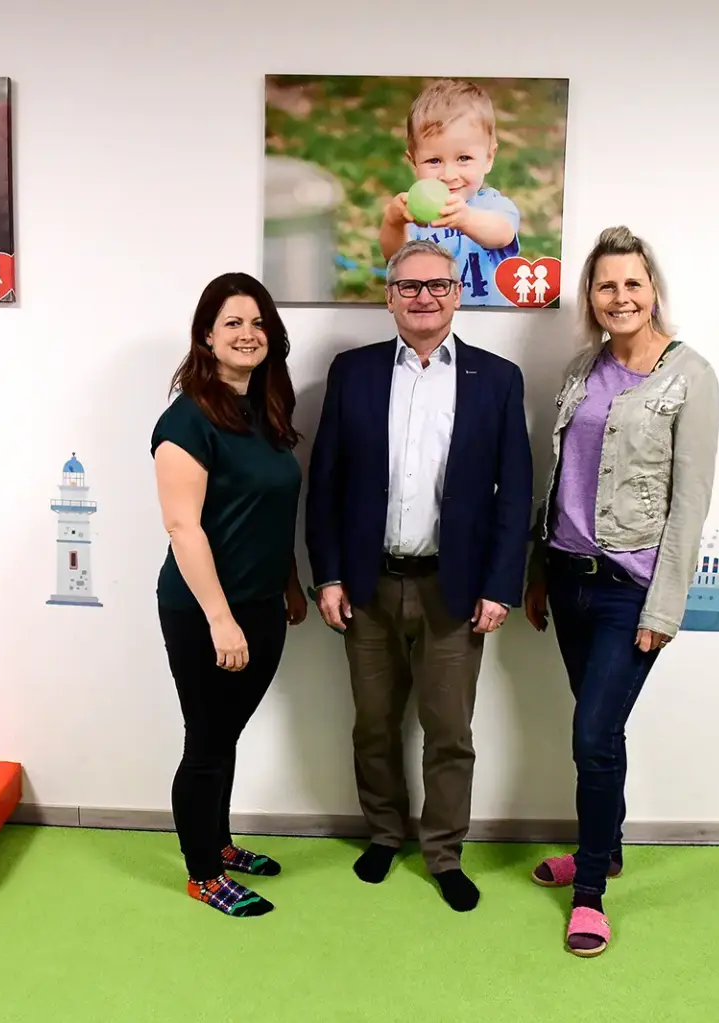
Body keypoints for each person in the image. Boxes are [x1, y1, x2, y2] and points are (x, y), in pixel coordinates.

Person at [306, 238, 532, 911]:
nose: (424, 296)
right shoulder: (353, 373)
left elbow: (514, 491)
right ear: (390, 295)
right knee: (373, 723)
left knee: (449, 731)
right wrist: (329, 574)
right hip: (368, 587)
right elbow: (326, 484)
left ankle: (443, 851)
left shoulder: (497, 378)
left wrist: (501, 584)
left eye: (438, 285)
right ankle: (383, 833)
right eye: (410, 286)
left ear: (459, 292)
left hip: (455, 590)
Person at [522, 226, 719, 957]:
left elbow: (690, 501)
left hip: (628, 592)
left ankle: (590, 894)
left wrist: (665, 607)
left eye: (632, 283)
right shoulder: (582, 369)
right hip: (570, 578)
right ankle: (603, 847)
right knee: (600, 734)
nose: (620, 297)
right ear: (591, 297)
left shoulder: (689, 377)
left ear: (653, 287)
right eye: (606, 286)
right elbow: (561, 481)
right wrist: (539, 572)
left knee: (592, 738)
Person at [151, 272, 309, 918]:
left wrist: (290, 582)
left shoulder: (265, 412)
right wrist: (220, 618)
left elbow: (270, 509)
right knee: (208, 740)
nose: (248, 334)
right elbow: (182, 526)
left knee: (226, 735)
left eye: (257, 322)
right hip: (204, 611)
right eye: (233, 323)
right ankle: (202, 871)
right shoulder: (186, 418)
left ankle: (218, 841)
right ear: (207, 336)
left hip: (263, 605)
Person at [378, 79, 521, 306]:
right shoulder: (415, 216)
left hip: (491, 322)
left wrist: (466, 218)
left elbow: (503, 234)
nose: (448, 174)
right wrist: (393, 222)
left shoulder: (495, 206)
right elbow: (395, 257)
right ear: (413, 162)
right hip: (433, 316)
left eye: (464, 158)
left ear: (489, 158)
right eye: (434, 160)